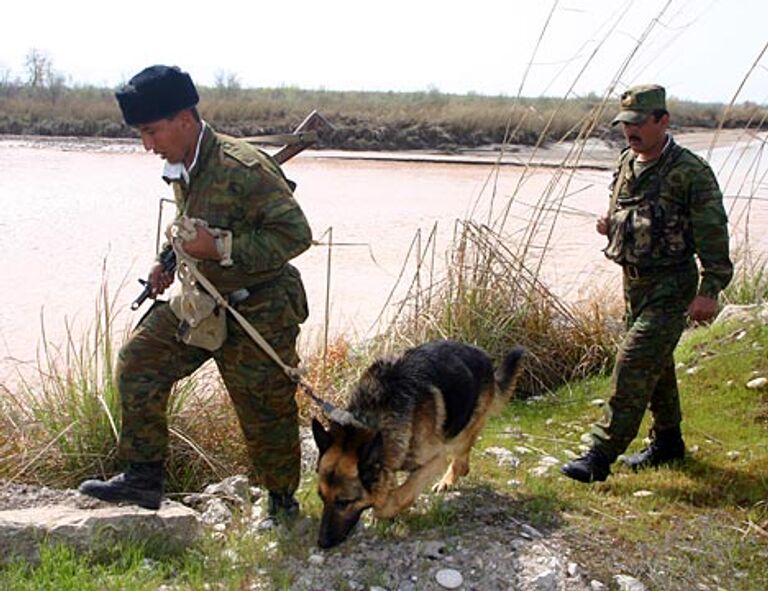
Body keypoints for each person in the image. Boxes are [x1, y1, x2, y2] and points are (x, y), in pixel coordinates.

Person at [79, 65, 313, 525]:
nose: (148, 145)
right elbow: (196, 223)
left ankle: (282, 504)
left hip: (260, 307)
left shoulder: (243, 166)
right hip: (203, 302)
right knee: (139, 361)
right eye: (142, 134)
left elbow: (295, 236)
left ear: (184, 118)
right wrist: (166, 260)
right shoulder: (182, 165)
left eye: (151, 131)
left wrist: (221, 248)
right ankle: (143, 477)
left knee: (264, 411)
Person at [561, 84, 733, 483]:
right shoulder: (626, 162)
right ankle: (669, 443)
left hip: (672, 286)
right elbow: (629, 213)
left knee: (634, 361)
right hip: (632, 285)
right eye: (625, 124)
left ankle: (599, 456)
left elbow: (714, 235)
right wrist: (610, 227)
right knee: (657, 365)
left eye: (639, 123)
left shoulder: (690, 172)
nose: (630, 131)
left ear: (663, 121)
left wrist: (710, 290)